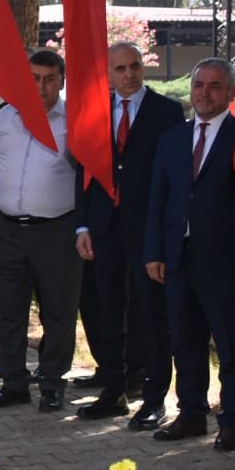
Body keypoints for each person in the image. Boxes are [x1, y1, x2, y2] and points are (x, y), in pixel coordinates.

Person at [143, 57, 235, 453]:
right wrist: (155, 252)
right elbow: (158, 200)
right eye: (199, 85)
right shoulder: (173, 139)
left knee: (230, 344)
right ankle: (192, 414)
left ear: (231, 93)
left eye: (215, 86)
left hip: (227, 263)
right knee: (185, 340)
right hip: (178, 258)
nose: (204, 93)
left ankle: (232, 422)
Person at [73, 43, 185, 427]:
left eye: (135, 66)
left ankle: (153, 398)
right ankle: (113, 391)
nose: (129, 74)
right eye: (120, 68)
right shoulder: (94, 111)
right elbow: (83, 173)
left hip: (148, 231)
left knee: (152, 315)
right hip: (104, 229)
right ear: (109, 73)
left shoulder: (168, 112)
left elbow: (173, 177)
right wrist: (83, 225)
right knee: (109, 313)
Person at [0, 49, 82, 412]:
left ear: (61, 81)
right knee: (10, 310)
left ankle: (52, 384)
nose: (41, 86)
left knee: (58, 311)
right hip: (8, 229)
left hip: (57, 231)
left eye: (49, 79)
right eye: (34, 78)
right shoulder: (5, 117)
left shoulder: (74, 119)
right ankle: (14, 383)